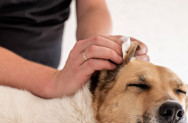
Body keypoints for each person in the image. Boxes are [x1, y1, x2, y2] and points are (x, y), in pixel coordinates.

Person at [0, 0, 149, 98]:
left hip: (43, 90)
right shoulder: (52, 83)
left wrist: (97, 51)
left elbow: (93, 7)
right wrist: (52, 81)